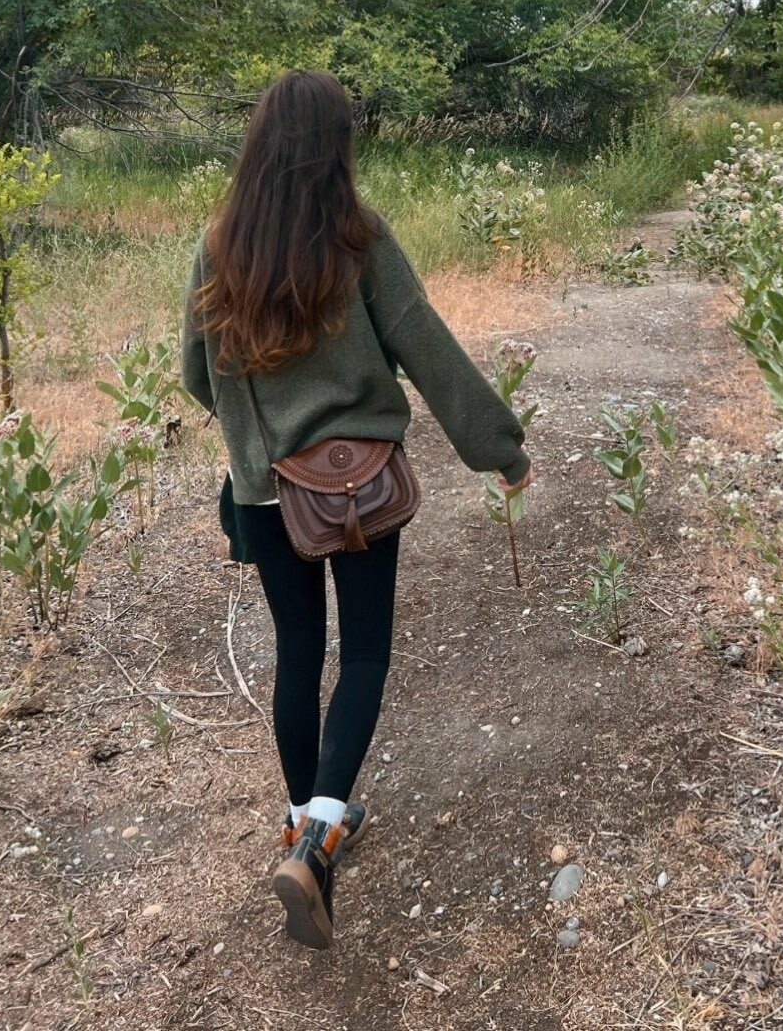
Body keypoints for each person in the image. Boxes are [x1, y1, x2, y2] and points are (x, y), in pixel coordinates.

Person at [180, 70, 533, 950]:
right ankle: (320, 837)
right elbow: (428, 349)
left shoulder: (218, 247)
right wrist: (501, 449)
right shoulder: (359, 238)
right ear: (336, 146)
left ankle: (301, 822)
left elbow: (197, 374)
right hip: (361, 486)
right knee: (365, 652)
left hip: (266, 492)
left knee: (298, 652)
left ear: (260, 143)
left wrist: (256, 438)